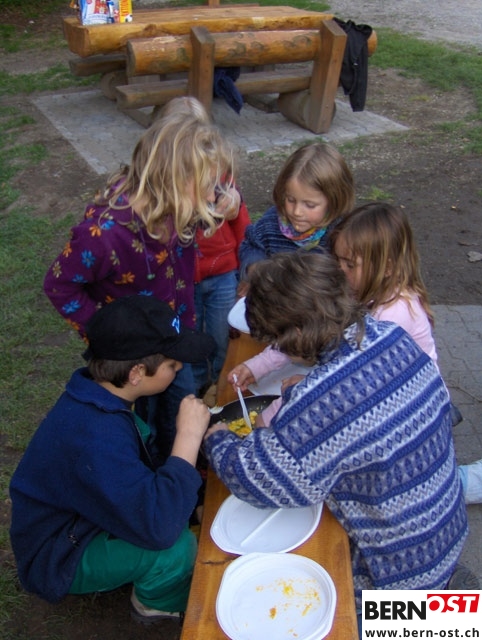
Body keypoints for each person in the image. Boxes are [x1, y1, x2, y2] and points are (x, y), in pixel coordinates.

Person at [204, 252, 470, 619]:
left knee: (336, 616)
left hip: (399, 567)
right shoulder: (389, 334)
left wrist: (216, 439)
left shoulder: (321, 400)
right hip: (447, 523)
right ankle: (451, 604)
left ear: (296, 334)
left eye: (275, 339)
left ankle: (440, 618)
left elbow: (261, 481)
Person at [43, 106, 233, 462]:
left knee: (178, 407)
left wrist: (184, 330)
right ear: (173, 180)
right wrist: (106, 335)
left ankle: (178, 468)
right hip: (132, 357)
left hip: (172, 338)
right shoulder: (104, 235)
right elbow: (59, 285)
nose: (212, 196)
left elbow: (181, 272)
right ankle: (151, 474)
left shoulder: (179, 211)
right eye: (208, 186)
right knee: (138, 427)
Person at [9, 295, 215, 622]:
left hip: (85, 517)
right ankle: (156, 602)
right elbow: (159, 528)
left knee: (172, 505)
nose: (178, 370)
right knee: (176, 548)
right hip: (58, 554)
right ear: (136, 373)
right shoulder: (96, 437)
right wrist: (188, 437)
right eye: (172, 366)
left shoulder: (100, 397)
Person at [159, 97, 251, 400]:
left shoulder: (218, 175)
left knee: (223, 334)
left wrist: (244, 269)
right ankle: (198, 388)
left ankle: (222, 385)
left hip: (223, 275)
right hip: (184, 282)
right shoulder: (169, 185)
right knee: (192, 335)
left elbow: (244, 228)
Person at [237, 140, 355, 290]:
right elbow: (252, 245)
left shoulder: (341, 232)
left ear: (335, 200)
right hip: (276, 298)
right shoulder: (271, 222)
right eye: (290, 200)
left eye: (310, 205)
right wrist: (255, 268)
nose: (297, 212)